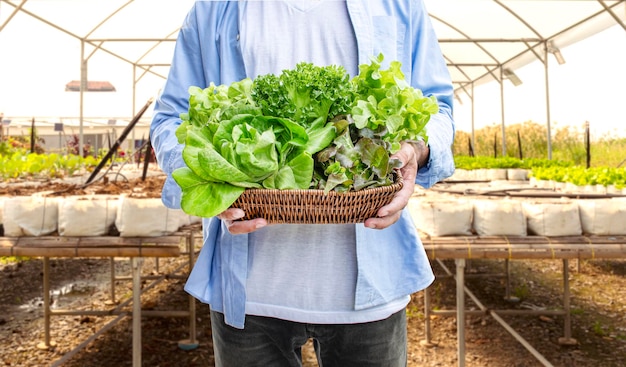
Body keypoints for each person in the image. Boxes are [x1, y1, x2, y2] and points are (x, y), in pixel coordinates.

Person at [150, 1, 455, 366]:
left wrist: (416, 150)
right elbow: (169, 119)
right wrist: (212, 173)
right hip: (248, 295)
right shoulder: (215, 10)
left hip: (371, 287)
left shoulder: (398, 5)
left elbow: (437, 110)